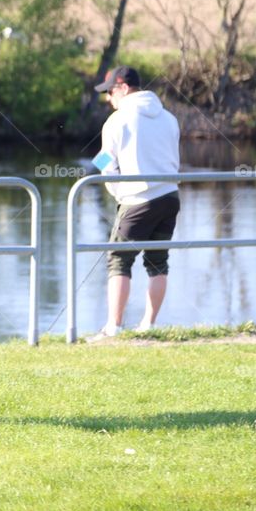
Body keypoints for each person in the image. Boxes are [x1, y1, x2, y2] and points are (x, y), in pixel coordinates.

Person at [90, 66, 180, 341]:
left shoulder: (116, 121)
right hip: (170, 197)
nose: (108, 98)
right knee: (158, 262)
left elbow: (105, 163)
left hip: (137, 200)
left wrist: (119, 193)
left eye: (110, 91)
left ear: (124, 88)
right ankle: (147, 326)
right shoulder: (169, 118)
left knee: (118, 260)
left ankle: (113, 328)